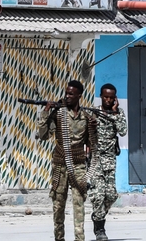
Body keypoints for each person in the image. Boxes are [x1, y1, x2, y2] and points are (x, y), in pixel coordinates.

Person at [36, 80, 98, 241]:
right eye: (66, 93)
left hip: (78, 165)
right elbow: (43, 136)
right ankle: (59, 238)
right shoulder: (58, 114)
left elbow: (92, 145)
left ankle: (80, 238)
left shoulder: (86, 117)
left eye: (71, 94)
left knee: (79, 204)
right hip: (59, 165)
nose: (67, 96)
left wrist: (94, 129)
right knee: (58, 205)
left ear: (79, 96)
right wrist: (46, 113)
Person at [89, 83, 127, 241]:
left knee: (111, 195)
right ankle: (100, 229)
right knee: (98, 195)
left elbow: (123, 131)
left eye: (111, 98)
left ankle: (97, 215)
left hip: (110, 159)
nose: (108, 100)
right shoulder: (94, 113)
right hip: (96, 159)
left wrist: (115, 113)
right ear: (101, 96)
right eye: (106, 97)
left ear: (115, 99)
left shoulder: (118, 112)